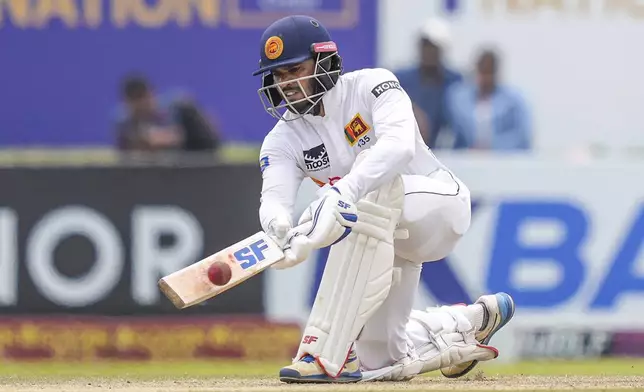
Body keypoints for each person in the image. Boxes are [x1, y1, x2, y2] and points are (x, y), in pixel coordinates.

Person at [252, 15, 515, 383]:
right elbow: (274, 197)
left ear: (324, 62)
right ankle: (470, 323)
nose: (286, 84)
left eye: (294, 70)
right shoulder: (281, 140)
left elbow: (397, 148)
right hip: (382, 238)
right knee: (381, 360)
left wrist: (341, 191)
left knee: (367, 192)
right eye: (278, 76)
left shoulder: (374, 84)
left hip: (436, 207)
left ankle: (324, 351)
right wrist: (278, 226)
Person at [394, 17, 463, 149]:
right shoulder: (401, 79)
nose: (428, 51)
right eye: (425, 46)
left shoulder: (455, 82)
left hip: (445, 153)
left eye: (433, 47)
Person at [448, 49, 532, 150]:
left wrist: (492, 147)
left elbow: (522, 137)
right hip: (468, 159)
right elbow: (454, 135)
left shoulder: (513, 101)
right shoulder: (459, 99)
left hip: (504, 159)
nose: (486, 78)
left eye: (489, 72)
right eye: (483, 72)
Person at [115, 75, 221, 154]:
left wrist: (163, 137)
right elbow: (125, 151)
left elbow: (177, 137)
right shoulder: (123, 122)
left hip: (197, 151)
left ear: (151, 95)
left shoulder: (179, 107)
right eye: (134, 101)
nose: (141, 106)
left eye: (143, 99)